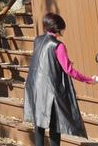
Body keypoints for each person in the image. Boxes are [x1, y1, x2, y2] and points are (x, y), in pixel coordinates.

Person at [23, 12, 92, 146]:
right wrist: (87, 79)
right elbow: (69, 70)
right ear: (58, 28)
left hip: (34, 86)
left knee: (39, 123)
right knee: (55, 125)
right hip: (50, 89)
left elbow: (44, 60)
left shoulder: (37, 40)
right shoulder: (58, 45)